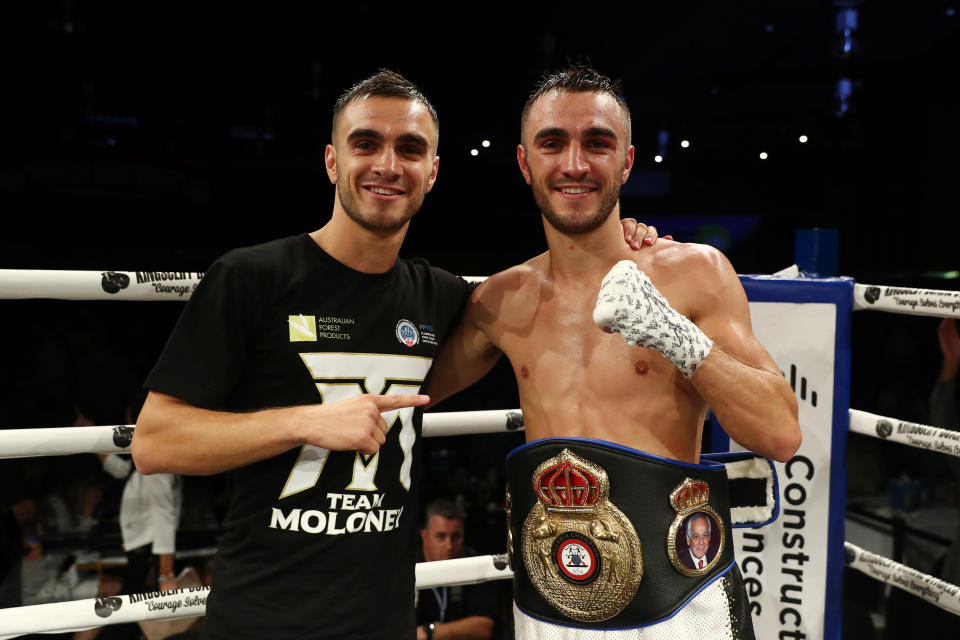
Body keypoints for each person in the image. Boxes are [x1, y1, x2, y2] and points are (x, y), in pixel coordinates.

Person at [131, 68, 658, 639]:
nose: (387, 165)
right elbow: (155, 441)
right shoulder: (251, 278)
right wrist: (305, 421)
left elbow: (556, 282)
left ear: (431, 173)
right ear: (333, 161)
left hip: (385, 622)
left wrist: (626, 235)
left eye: (410, 149)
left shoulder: (442, 298)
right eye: (366, 144)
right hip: (261, 618)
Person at [427, 65, 802, 639]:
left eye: (597, 143)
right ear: (526, 163)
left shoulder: (693, 273)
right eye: (553, 143)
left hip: (679, 603)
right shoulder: (502, 299)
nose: (575, 164)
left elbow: (780, 432)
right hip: (550, 610)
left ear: (626, 162)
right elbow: (406, 387)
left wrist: (674, 333)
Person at [416, 499, 498, 640]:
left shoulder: (475, 565)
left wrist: (429, 632)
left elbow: (484, 627)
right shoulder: (406, 568)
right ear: (425, 536)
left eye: (456, 537)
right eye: (441, 536)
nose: (449, 546)